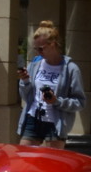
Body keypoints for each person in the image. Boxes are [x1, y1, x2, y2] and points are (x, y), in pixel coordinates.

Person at [16, 20, 85, 150]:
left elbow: (80, 102)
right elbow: (27, 97)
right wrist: (24, 82)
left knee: (51, 164)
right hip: (33, 118)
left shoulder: (70, 69)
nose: (38, 52)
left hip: (55, 123)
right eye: (35, 49)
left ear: (52, 44)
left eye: (41, 49)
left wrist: (56, 101)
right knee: (23, 157)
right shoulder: (34, 65)